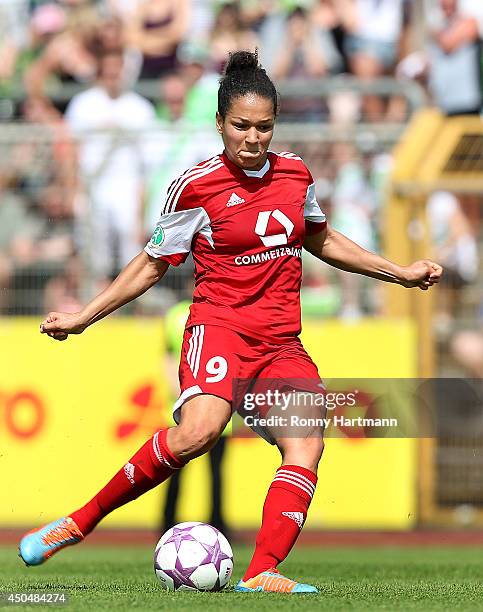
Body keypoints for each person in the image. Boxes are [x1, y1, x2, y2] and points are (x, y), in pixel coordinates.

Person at [19, 50, 442, 594]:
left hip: (280, 344)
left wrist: (398, 272)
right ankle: (76, 524)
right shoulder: (195, 187)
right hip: (219, 329)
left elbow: (322, 238)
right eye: (241, 126)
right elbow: (151, 264)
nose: (253, 138)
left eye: (264, 127)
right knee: (198, 433)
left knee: (307, 441)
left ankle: (262, 572)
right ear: (219, 123)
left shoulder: (295, 175)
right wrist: (83, 317)